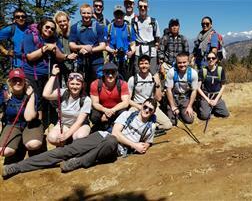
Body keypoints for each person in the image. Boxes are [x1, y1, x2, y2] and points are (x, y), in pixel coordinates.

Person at [2, 98, 157, 178]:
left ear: (153, 112)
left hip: (113, 149)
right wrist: (135, 145)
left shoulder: (151, 126)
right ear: (141, 106)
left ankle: (80, 162)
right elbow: (115, 133)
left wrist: (143, 147)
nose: (146, 110)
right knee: (65, 151)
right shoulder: (128, 113)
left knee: (111, 142)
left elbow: (147, 144)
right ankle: (18, 167)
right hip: (102, 137)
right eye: (145, 106)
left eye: (150, 109)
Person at [22, 17, 67, 128]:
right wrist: (45, 49)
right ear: (41, 26)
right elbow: (30, 57)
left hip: (48, 73)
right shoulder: (30, 36)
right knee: (36, 98)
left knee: (47, 98)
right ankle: (38, 123)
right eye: (47, 27)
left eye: (52, 29)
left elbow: (61, 57)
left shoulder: (54, 39)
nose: (49, 30)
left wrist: (54, 49)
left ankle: (47, 122)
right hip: (32, 73)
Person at [0, 69, 44, 164]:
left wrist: (31, 96)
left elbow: (29, 117)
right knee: (4, 151)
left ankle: (30, 139)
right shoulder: (5, 94)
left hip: (30, 124)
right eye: (14, 80)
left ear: (25, 81)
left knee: (33, 145)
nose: (18, 82)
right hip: (13, 124)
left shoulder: (32, 94)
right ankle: (18, 142)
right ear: (9, 82)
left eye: (20, 79)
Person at [43, 65, 91, 146]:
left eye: (77, 84)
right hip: (64, 124)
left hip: (80, 126)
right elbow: (46, 94)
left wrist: (66, 135)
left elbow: (79, 122)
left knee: (79, 137)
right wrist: (53, 75)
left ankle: (75, 147)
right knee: (52, 138)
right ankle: (65, 146)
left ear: (82, 85)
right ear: (68, 84)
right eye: (72, 84)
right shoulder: (62, 93)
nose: (74, 86)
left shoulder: (86, 100)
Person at [128, 54, 172, 132]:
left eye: (146, 63)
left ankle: (149, 127)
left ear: (149, 65)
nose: (144, 66)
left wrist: (158, 84)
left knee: (167, 125)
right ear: (138, 65)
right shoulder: (132, 79)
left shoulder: (154, 77)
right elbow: (128, 100)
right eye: (141, 64)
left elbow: (158, 98)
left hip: (152, 105)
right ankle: (147, 127)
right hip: (137, 105)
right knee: (128, 123)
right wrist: (139, 106)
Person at [69, 3, 106, 92]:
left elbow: (103, 45)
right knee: (81, 84)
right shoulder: (75, 27)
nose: (86, 15)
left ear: (92, 13)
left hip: (97, 62)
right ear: (80, 13)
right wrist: (82, 47)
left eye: (88, 13)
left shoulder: (98, 27)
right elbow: (71, 44)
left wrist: (90, 50)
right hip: (81, 61)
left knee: (98, 84)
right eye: (84, 13)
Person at [89, 62, 130, 132]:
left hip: (116, 110)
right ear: (103, 73)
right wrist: (105, 110)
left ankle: (115, 127)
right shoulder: (95, 84)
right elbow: (95, 103)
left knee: (124, 113)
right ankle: (100, 125)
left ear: (116, 73)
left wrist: (112, 110)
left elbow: (125, 103)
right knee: (94, 116)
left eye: (113, 73)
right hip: (102, 110)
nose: (110, 75)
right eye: (107, 73)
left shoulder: (122, 84)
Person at [165, 52, 198, 125]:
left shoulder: (193, 73)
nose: (182, 65)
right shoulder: (171, 72)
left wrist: (189, 106)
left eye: (184, 62)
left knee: (189, 120)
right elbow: (168, 90)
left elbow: (194, 91)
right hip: (174, 97)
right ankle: (173, 110)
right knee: (172, 122)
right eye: (179, 63)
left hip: (185, 98)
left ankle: (183, 110)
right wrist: (173, 106)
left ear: (188, 62)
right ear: (176, 63)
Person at [105, 5, 136, 80]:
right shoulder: (109, 28)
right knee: (112, 83)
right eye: (117, 14)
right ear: (114, 15)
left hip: (126, 62)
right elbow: (105, 45)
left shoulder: (129, 28)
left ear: (124, 15)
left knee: (125, 82)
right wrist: (111, 50)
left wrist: (131, 52)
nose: (119, 16)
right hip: (113, 60)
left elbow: (133, 44)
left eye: (121, 14)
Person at [197, 52, 229, 120]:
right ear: (206, 59)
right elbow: (198, 88)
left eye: (213, 58)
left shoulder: (220, 70)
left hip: (216, 97)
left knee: (225, 113)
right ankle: (203, 106)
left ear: (216, 59)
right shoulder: (203, 71)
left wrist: (216, 100)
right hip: (206, 97)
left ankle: (212, 107)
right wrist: (208, 100)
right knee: (204, 116)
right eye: (209, 58)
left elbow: (223, 86)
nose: (211, 60)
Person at [131, 0, 160, 75]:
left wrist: (156, 47)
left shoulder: (153, 21)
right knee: (138, 73)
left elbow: (157, 38)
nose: (143, 8)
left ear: (148, 8)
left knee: (153, 73)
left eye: (145, 6)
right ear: (138, 7)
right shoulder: (134, 21)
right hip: (138, 50)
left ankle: (154, 87)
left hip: (151, 50)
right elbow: (132, 38)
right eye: (141, 6)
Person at [53, 11, 78, 87]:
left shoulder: (73, 33)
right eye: (59, 22)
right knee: (58, 88)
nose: (62, 23)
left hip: (71, 65)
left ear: (68, 21)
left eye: (64, 21)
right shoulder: (54, 35)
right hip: (58, 65)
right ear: (56, 23)